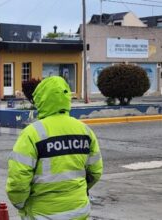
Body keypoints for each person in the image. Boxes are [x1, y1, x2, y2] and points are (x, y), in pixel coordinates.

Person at [6, 76, 103, 220]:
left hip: (43, 213)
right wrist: (77, 192)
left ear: (41, 99)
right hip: (79, 211)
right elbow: (95, 172)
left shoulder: (32, 133)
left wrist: (20, 203)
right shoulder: (85, 131)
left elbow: (18, 179)